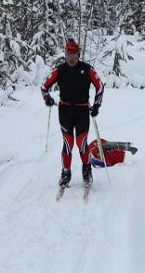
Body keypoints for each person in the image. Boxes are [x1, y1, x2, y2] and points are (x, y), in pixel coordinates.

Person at [41, 39, 104, 187]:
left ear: (78, 54)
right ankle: (66, 172)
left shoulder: (87, 69)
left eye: (74, 54)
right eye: (68, 54)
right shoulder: (59, 70)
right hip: (65, 111)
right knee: (68, 144)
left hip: (82, 110)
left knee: (81, 143)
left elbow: (100, 86)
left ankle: (86, 170)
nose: (70, 58)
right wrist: (47, 98)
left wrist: (96, 105)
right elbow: (44, 87)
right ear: (65, 54)